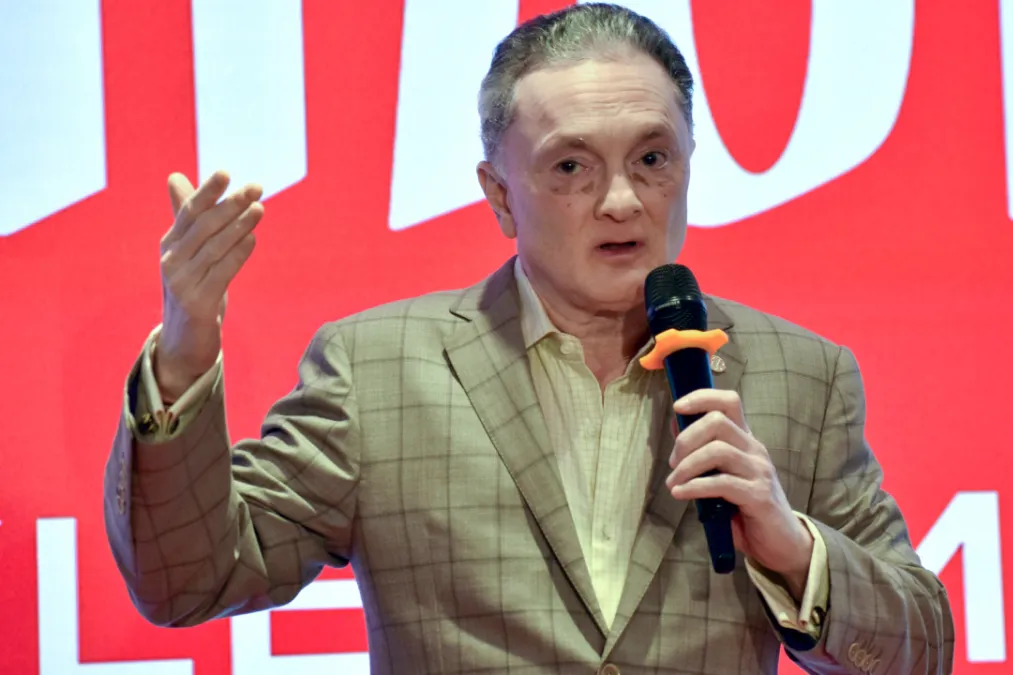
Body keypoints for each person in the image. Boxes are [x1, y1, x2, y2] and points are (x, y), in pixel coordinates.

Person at [103, 4, 954, 673]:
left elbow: (922, 650)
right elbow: (188, 578)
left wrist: (795, 551)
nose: (622, 200)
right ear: (501, 195)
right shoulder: (378, 371)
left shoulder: (799, 375)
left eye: (653, 158)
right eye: (571, 167)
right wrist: (185, 351)